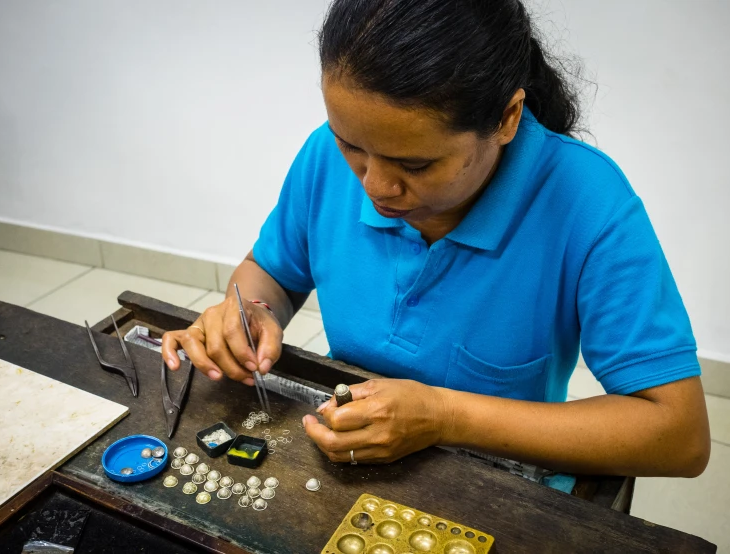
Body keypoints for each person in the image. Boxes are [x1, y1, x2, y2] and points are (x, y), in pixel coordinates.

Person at [162, 0, 710, 477]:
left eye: (415, 163)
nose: (375, 186)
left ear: (506, 118)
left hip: (496, 465)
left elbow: (678, 435)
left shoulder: (587, 202)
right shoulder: (326, 158)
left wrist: (444, 417)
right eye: (351, 145)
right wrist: (253, 311)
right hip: (341, 440)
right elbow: (273, 273)